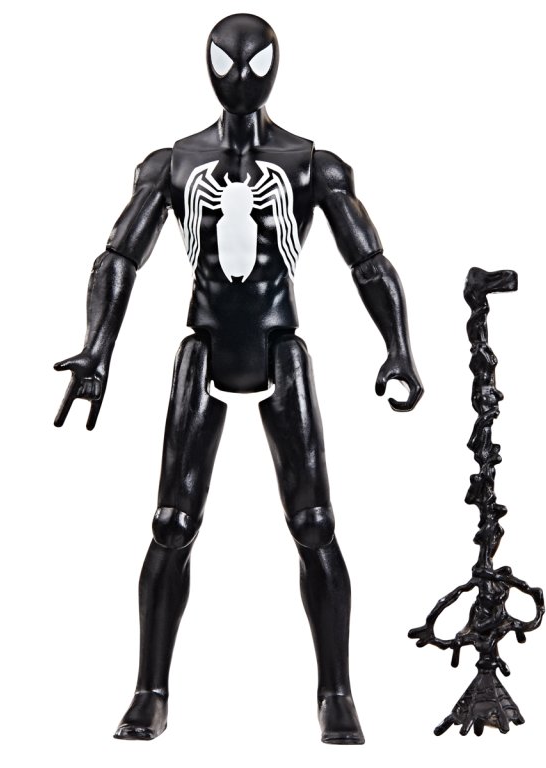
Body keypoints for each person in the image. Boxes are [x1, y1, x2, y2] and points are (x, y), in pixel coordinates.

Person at [53, 13, 422, 745]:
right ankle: (150, 689)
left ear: (276, 67)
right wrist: (97, 349)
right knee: (172, 523)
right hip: (206, 346)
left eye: (254, 64)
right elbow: (119, 257)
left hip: (280, 348)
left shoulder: (312, 165)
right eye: (227, 62)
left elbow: (368, 260)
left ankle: (337, 691)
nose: (240, 78)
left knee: (314, 524)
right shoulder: (172, 164)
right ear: (207, 65)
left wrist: (398, 346)